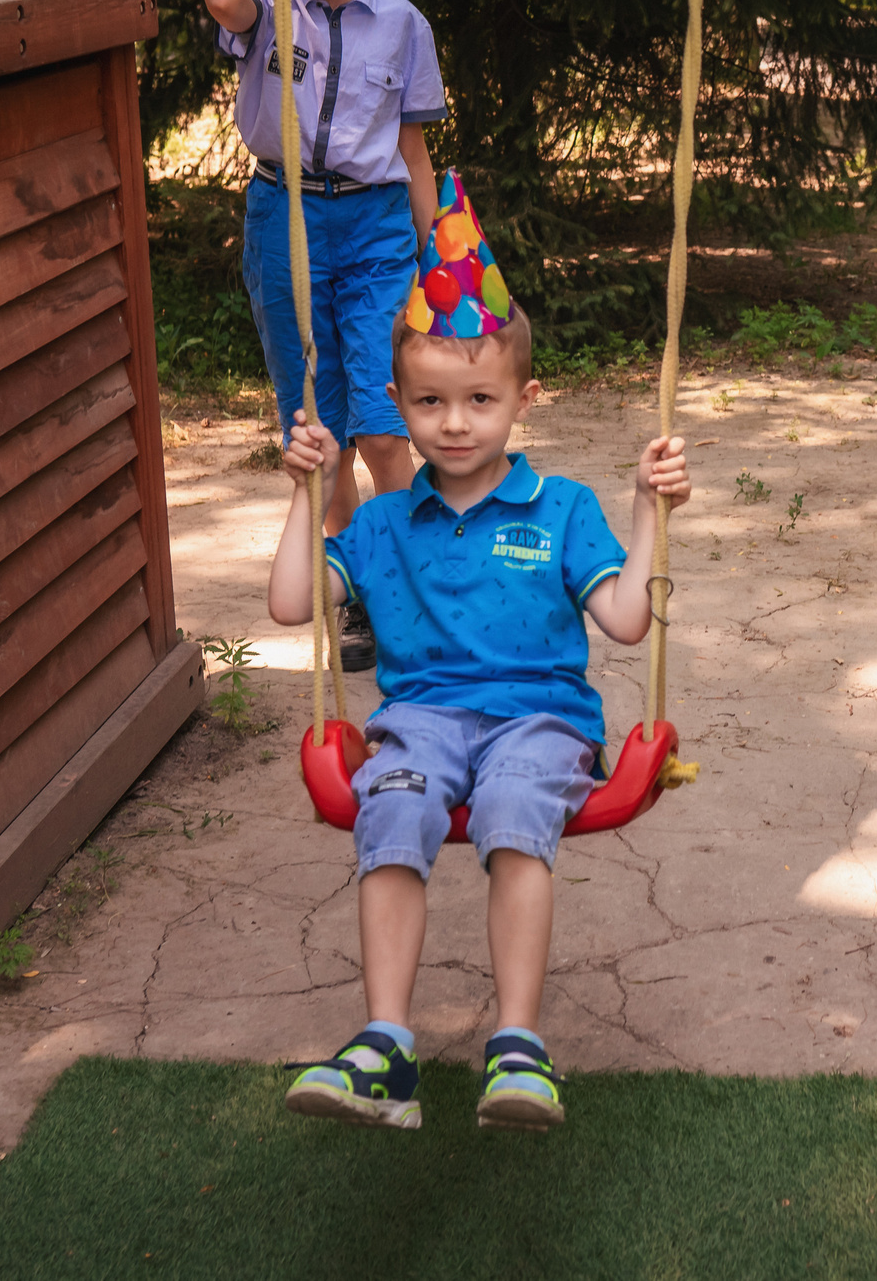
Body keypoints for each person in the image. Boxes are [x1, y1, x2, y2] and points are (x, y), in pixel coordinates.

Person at [269, 171, 690, 1130]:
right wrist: (309, 494)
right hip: (419, 724)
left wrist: (644, 510)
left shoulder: (563, 508)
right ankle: (385, 1046)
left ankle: (518, 1045)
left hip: (539, 722)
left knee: (510, 809)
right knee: (391, 804)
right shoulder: (381, 525)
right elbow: (294, 603)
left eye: (479, 400)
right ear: (397, 402)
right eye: (428, 401)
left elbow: (627, 620)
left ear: (523, 399)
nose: (454, 423)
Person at [207, 0, 446, 671]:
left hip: (377, 226)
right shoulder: (268, 3)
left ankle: (418, 584)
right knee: (323, 431)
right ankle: (364, 598)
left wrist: (437, 261)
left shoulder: (402, 23)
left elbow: (413, 155)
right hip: (285, 221)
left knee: (384, 425)